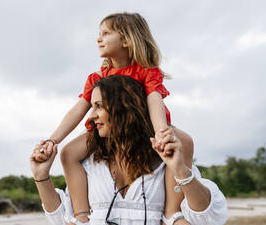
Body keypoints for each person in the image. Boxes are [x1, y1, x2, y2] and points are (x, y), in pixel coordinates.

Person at [37, 12, 194, 223]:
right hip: (105, 128)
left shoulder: (147, 72)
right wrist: (53, 139)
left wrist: (161, 132)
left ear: (127, 40)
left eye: (106, 33)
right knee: (68, 153)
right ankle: (81, 214)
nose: (98, 38)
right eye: (98, 33)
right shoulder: (98, 77)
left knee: (183, 142)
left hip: (147, 126)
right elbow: (78, 109)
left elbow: (154, 101)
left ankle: (172, 211)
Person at [31, 75, 227, 225]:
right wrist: (41, 177)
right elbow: (67, 220)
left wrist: (182, 171)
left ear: (124, 107)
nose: (91, 116)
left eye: (98, 106)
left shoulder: (163, 162)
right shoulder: (90, 163)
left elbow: (205, 218)